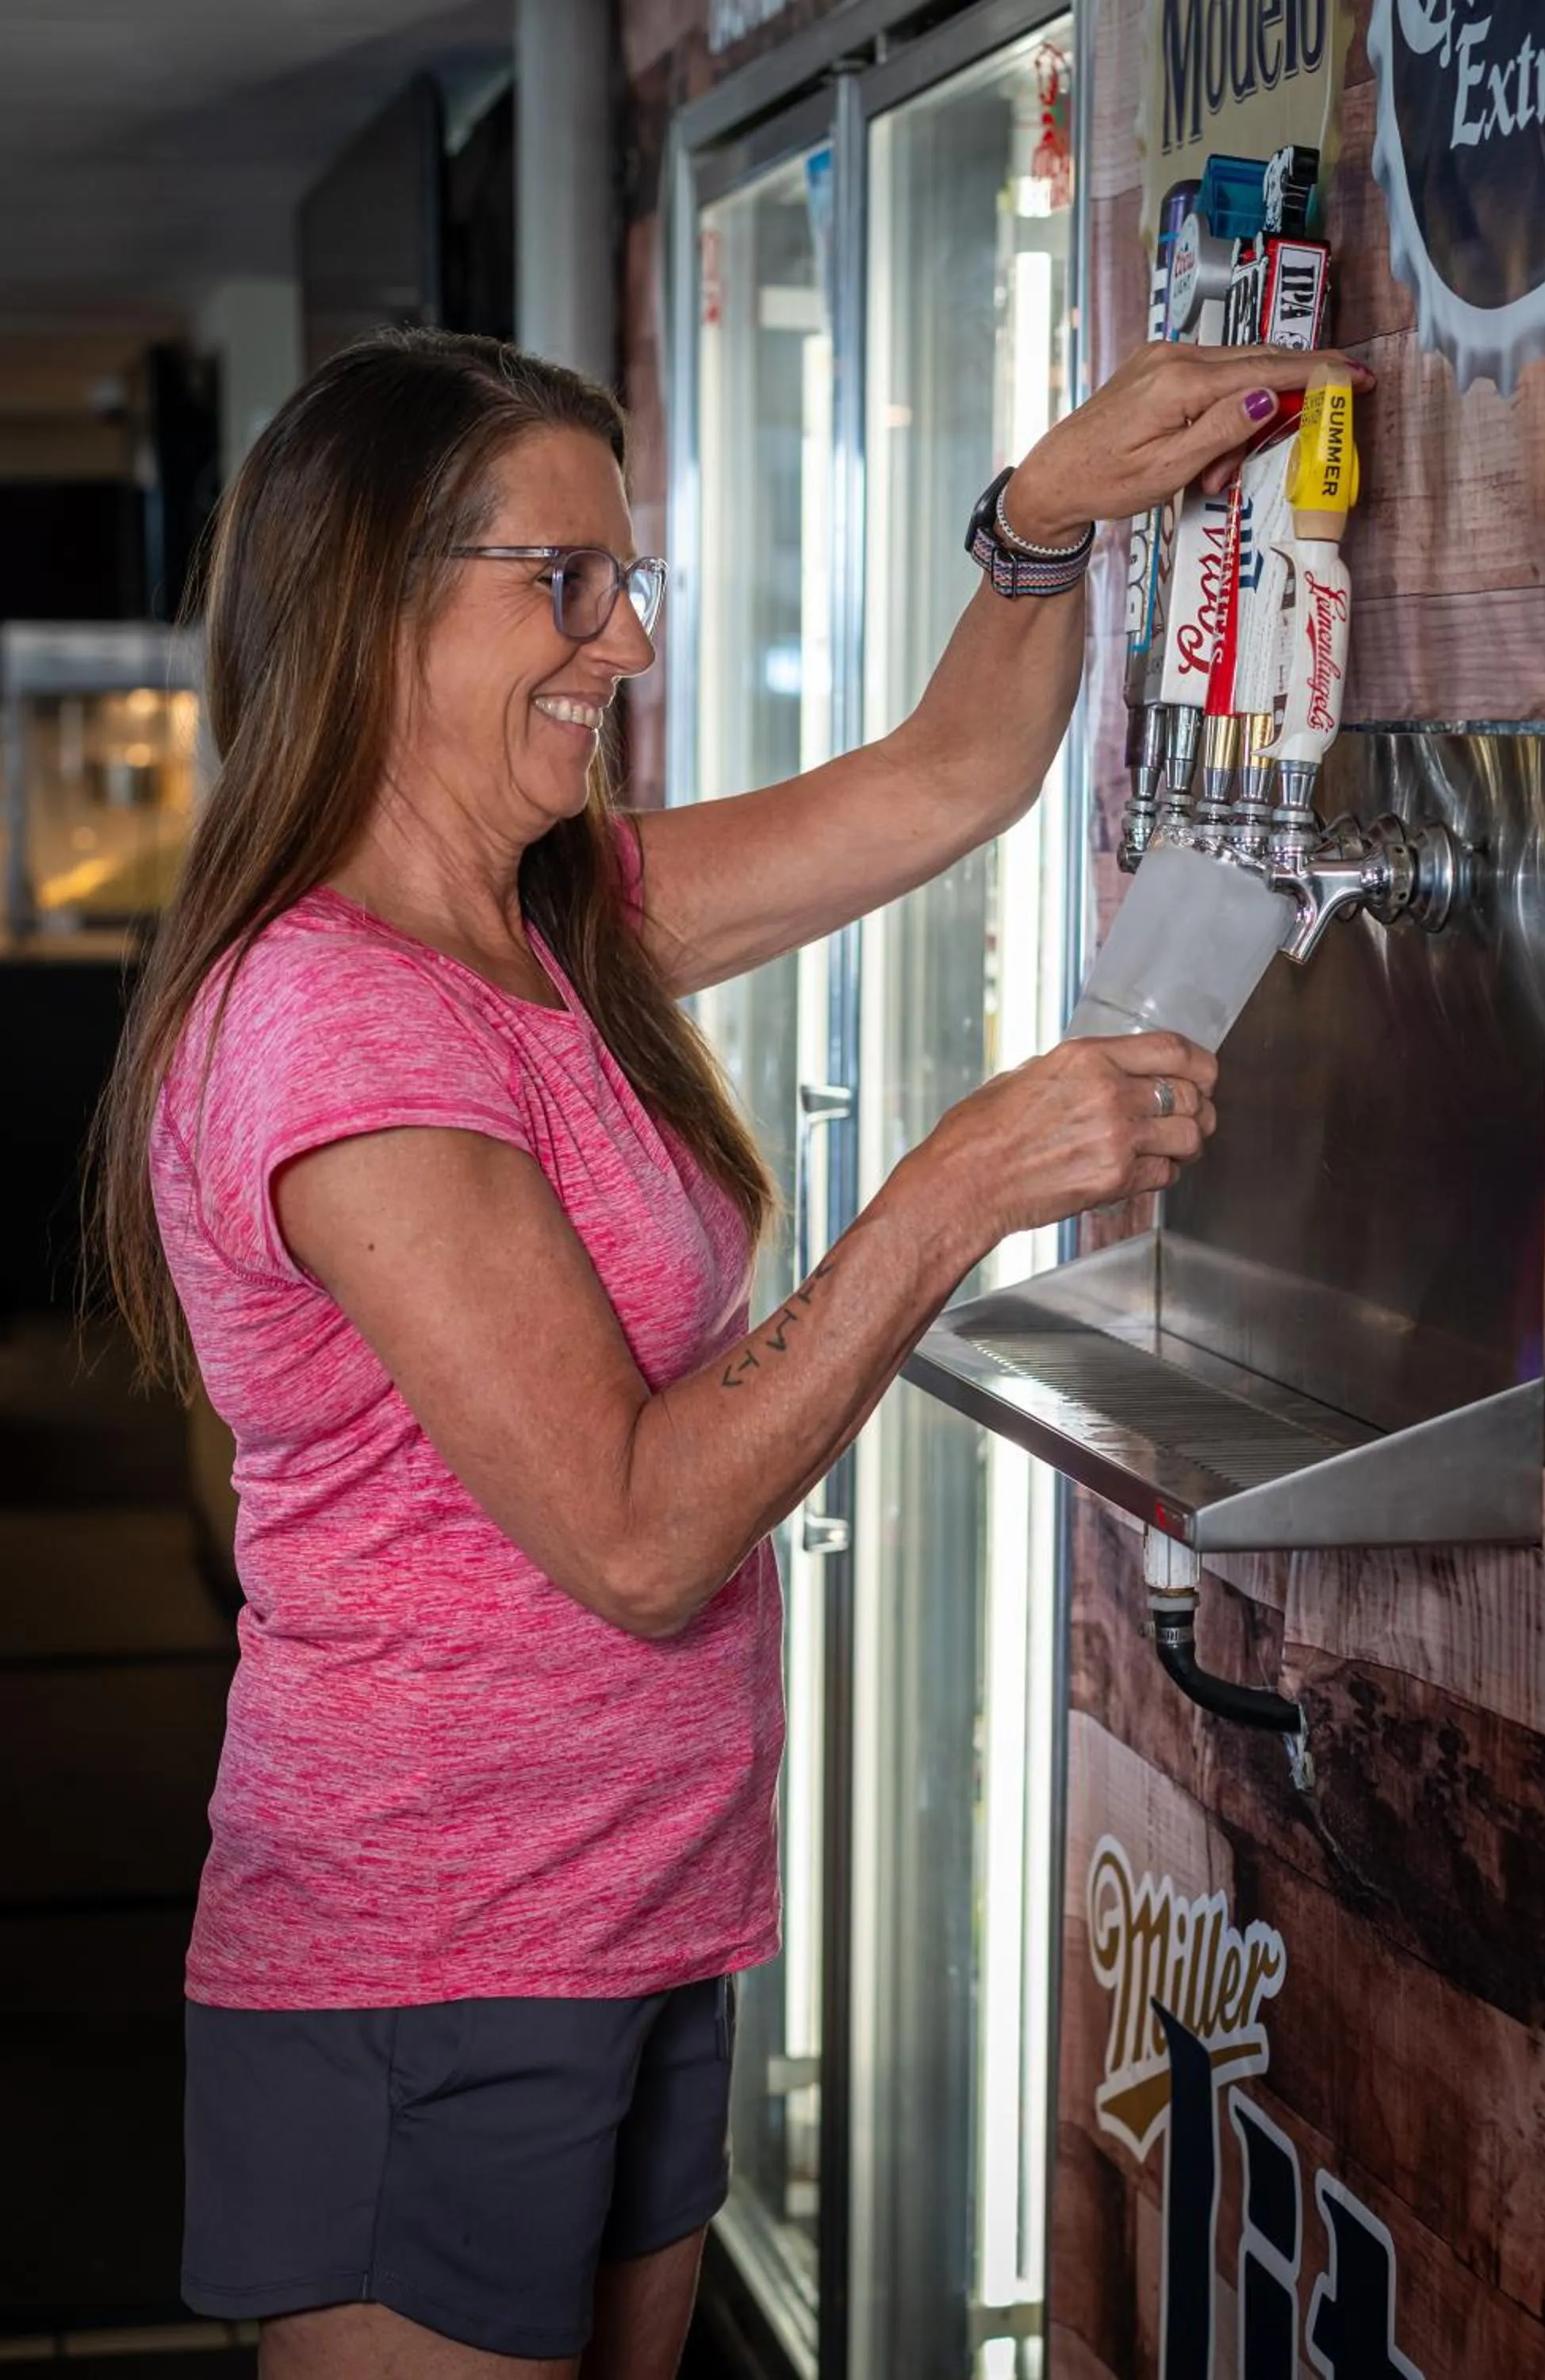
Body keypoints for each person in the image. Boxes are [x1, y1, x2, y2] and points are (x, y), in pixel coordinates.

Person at [95, 324, 1369, 2380]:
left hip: (642, 1903)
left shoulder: (544, 915)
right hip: (428, 1954)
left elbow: (942, 783)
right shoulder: (333, 1021)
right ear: (373, 599)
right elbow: (631, 1534)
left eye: (631, 585)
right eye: (563, 583)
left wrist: (1036, 530)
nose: (622, 643)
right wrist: (953, 1188)